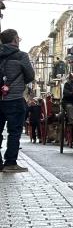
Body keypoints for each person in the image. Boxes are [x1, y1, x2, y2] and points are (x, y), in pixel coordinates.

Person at [0, 29, 36, 172]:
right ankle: (10, 163)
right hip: (14, 98)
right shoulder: (21, 56)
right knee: (14, 132)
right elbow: (30, 76)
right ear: (15, 40)